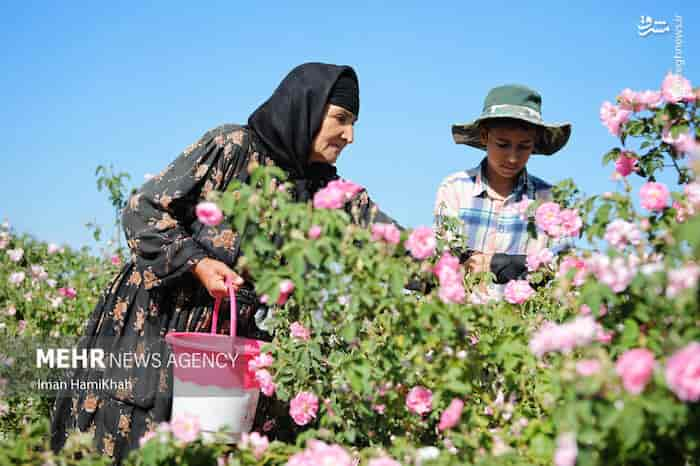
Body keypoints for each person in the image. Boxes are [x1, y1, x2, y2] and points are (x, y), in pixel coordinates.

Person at [51, 62, 394, 463]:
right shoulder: (232, 147)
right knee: (127, 441)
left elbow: (391, 240)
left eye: (353, 123)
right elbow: (142, 209)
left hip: (224, 352)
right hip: (157, 325)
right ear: (307, 108)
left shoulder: (322, 190)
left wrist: (466, 264)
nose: (350, 136)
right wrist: (197, 263)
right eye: (341, 119)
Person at [434, 84, 571, 285]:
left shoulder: (548, 200)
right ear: (484, 136)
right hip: (462, 314)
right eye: (502, 145)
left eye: (523, 146)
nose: (513, 158)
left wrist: (496, 263)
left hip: (526, 315)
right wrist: (525, 265)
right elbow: (444, 257)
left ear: (534, 143)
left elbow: (562, 265)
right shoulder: (455, 188)